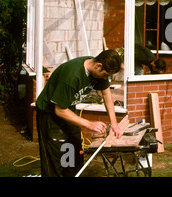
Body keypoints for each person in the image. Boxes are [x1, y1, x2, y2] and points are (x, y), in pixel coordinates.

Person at [35, 49, 123, 177]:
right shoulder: (72, 75)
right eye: (105, 75)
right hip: (50, 115)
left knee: (73, 155)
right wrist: (89, 124)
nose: (105, 78)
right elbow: (59, 110)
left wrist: (114, 124)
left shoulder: (98, 68)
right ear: (98, 65)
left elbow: (106, 93)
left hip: (68, 110)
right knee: (54, 161)